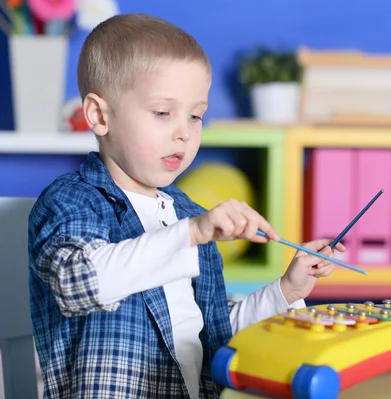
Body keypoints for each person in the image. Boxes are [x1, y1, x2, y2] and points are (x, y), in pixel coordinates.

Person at [28, 13, 345, 399]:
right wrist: (191, 234)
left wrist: (285, 290)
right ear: (99, 115)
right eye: (163, 112)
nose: (184, 132)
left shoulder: (184, 210)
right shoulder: (73, 200)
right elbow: (77, 282)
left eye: (196, 115)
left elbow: (210, 329)